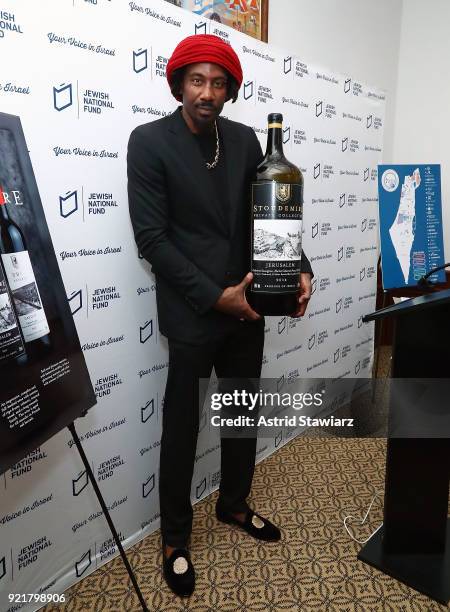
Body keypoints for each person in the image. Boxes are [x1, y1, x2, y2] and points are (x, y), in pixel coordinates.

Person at [127, 34, 313, 597]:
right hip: (192, 314)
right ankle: (175, 539)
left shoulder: (244, 138)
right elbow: (152, 240)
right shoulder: (149, 142)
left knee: (239, 415)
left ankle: (233, 504)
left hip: (246, 311)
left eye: (218, 82)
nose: (207, 92)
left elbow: (269, 217)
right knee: (181, 427)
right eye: (197, 80)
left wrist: (300, 268)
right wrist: (215, 296)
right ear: (179, 84)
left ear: (230, 90)